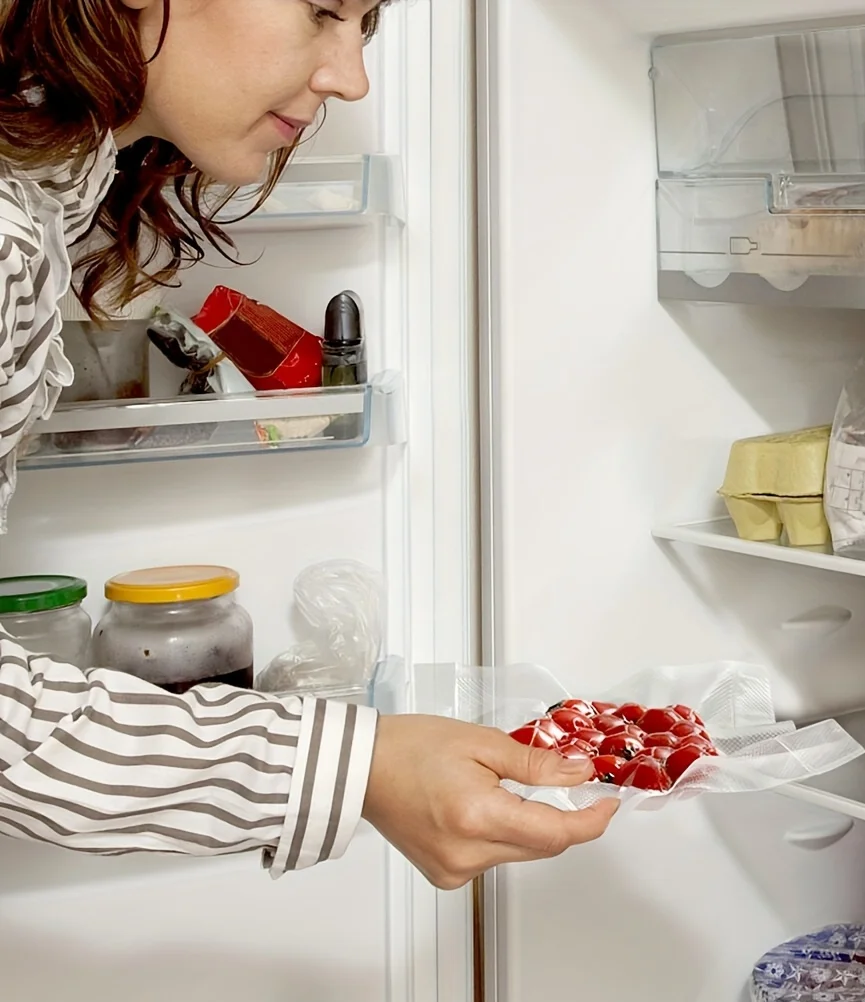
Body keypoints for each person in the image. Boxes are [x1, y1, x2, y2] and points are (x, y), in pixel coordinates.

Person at [0, 0, 617, 887]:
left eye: (364, 27)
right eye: (322, 10)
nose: (350, 76)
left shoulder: (48, 189)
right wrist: (359, 766)